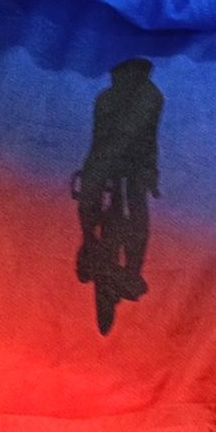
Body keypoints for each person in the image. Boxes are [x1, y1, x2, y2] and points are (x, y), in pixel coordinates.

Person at [76, 58, 163, 304]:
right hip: (112, 161)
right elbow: (100, 137)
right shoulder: (111, 98)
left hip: (133, 163)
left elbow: (137, 135)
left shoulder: (147, 96)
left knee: (136, 206)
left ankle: (132, 269)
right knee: (96, 200)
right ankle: (91, 243)